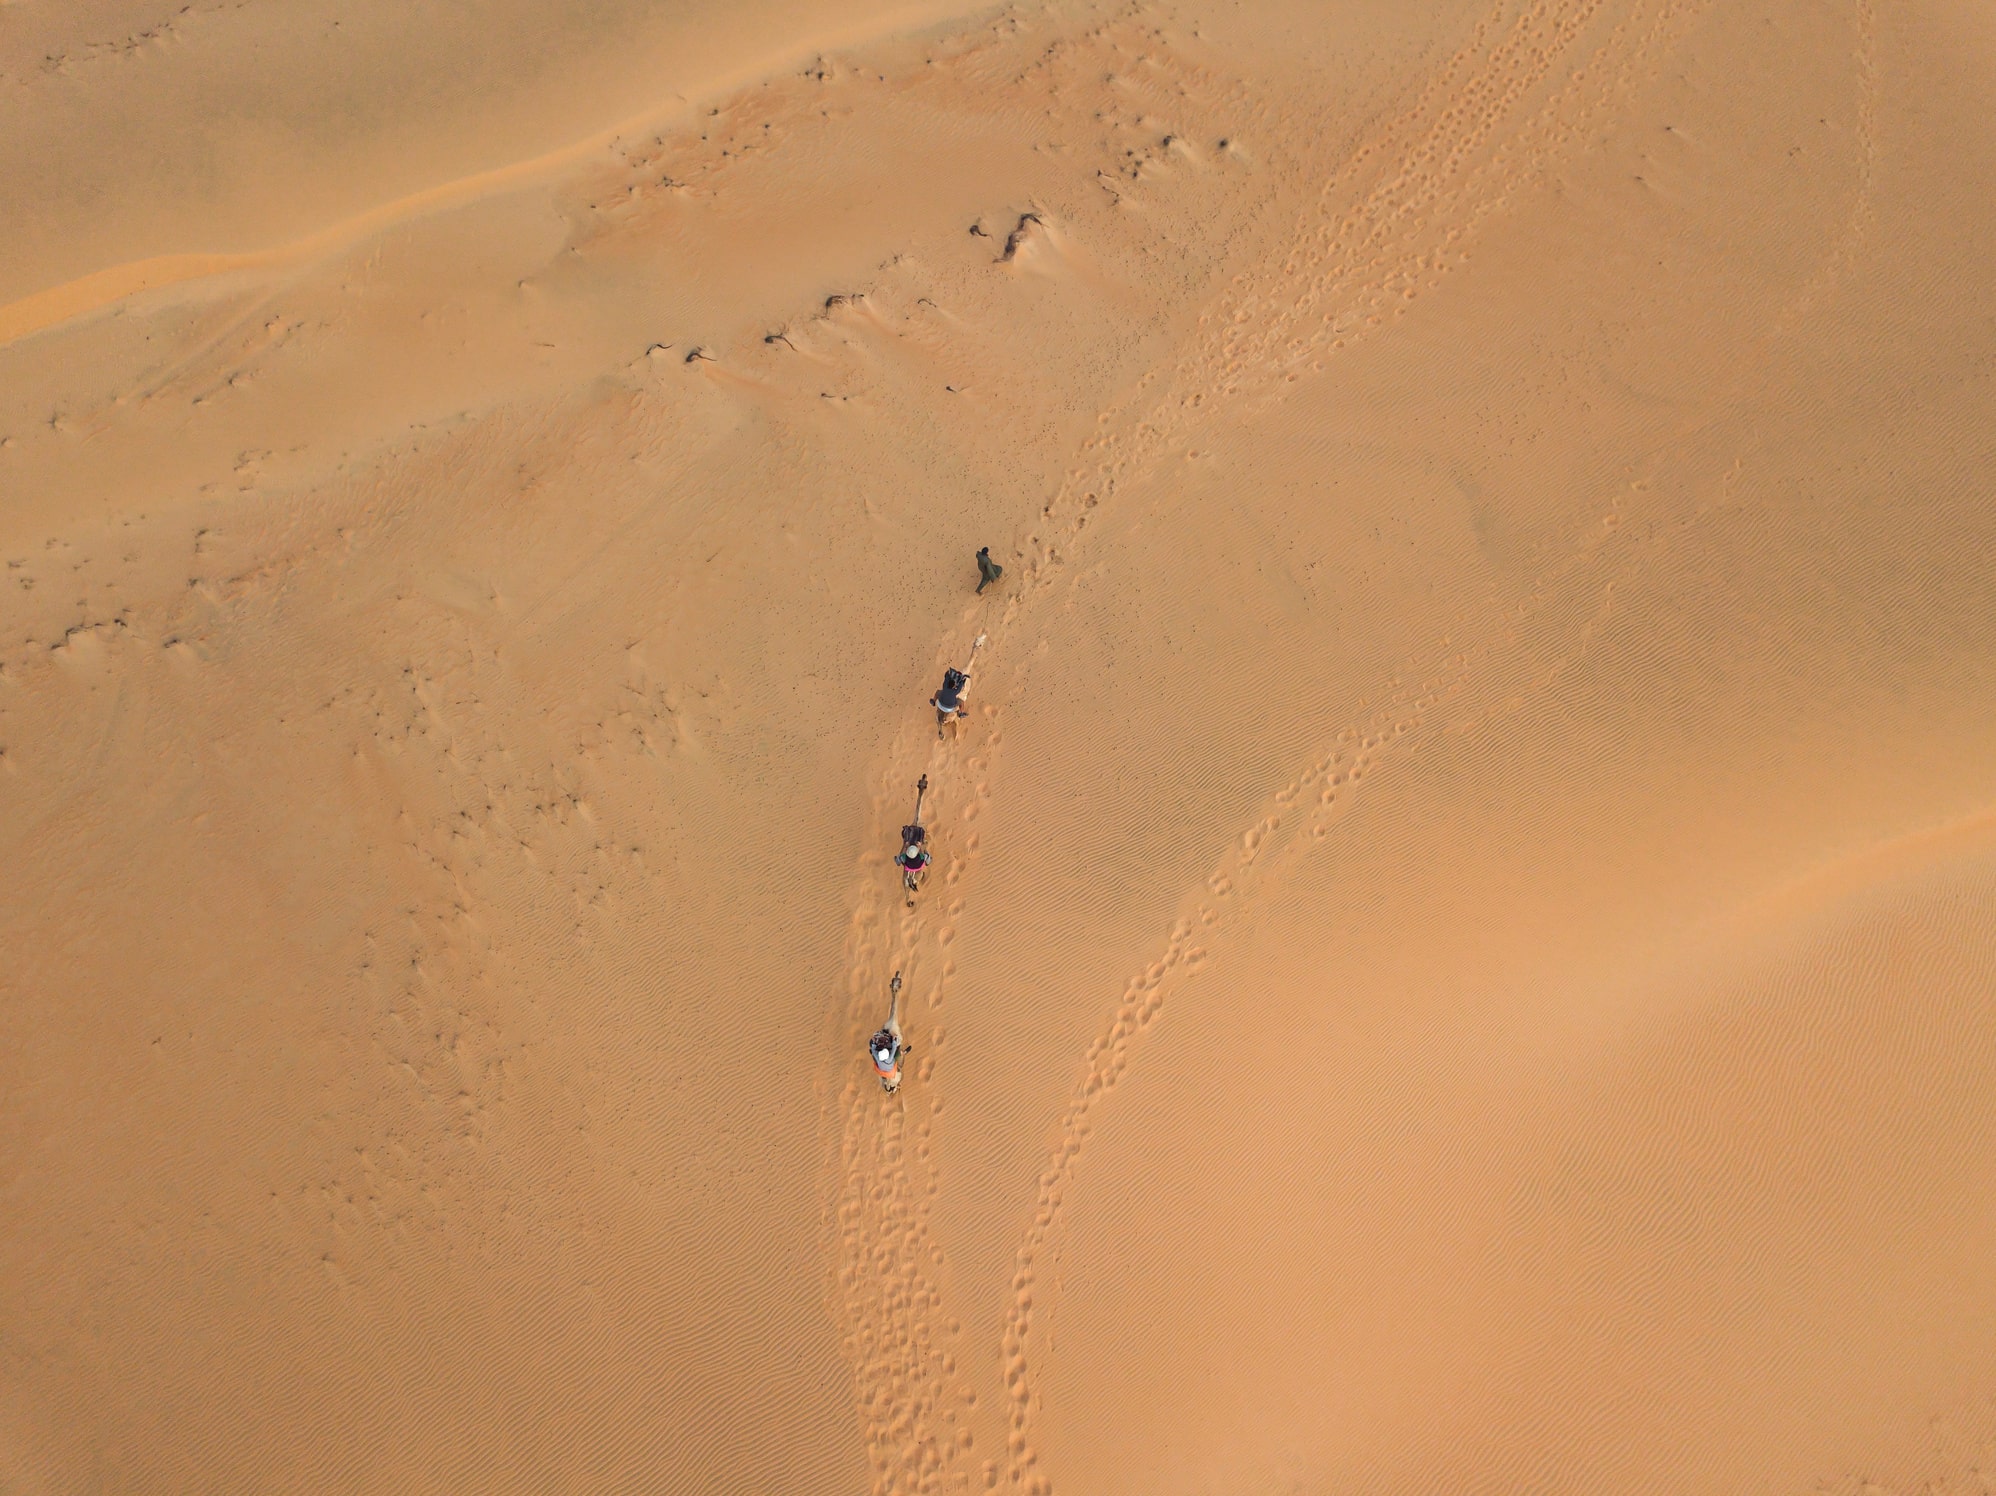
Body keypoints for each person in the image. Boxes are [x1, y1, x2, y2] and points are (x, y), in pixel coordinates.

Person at [932, 666, 969, 732]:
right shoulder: (955, 691)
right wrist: (962, 679)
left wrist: (949, 674)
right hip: (949, 707)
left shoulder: (945, 685)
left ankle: (933, 701)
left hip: (940, 704)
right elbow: (960, 686)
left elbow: (946, 676)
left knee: (938, 692)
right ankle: (961, 713)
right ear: (954, 686)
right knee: (961, 702)